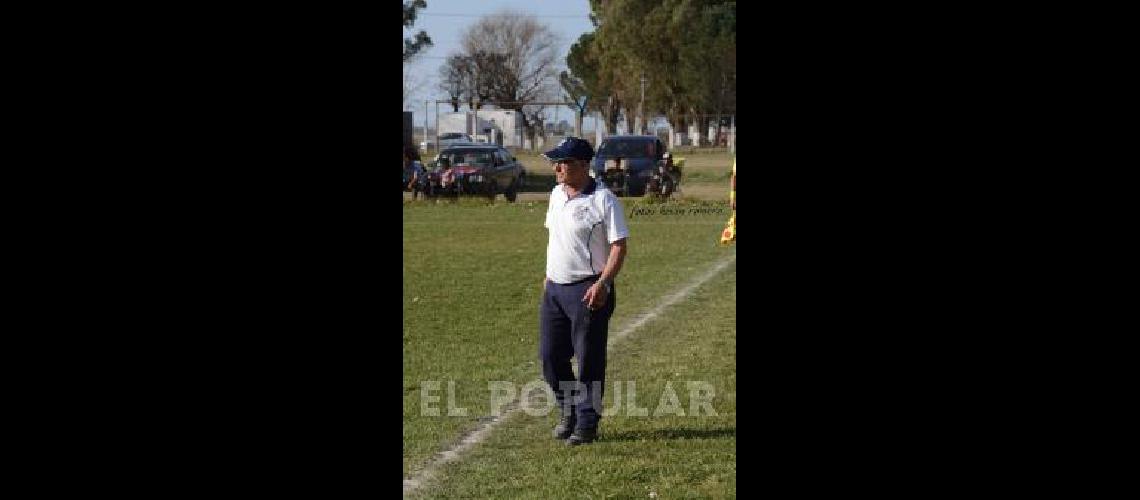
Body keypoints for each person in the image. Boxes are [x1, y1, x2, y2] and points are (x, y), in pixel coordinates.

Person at [538, 137, 629, 446]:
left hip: (590, 291)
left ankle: (587, 424)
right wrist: (547, 277)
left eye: (562, 162)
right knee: (551, 357)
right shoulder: (555, 194)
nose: (556, 167)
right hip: (554, 289)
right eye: (555, 162)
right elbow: (556, 239)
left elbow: (619, 246)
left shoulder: (604, 200)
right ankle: (569, 412)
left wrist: (603, 283)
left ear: (582, 166)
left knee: (589, 360)